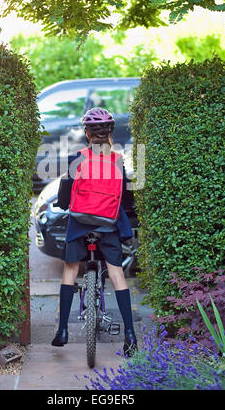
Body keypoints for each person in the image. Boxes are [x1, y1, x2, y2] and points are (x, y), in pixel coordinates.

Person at [51, 107, 138, 357]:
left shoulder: (75, 159)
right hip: (108, 225)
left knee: (70, 269)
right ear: (110, 133)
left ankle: (63, 330)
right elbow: (126, 199)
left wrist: (65, 204)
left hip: (80, 224)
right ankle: (130, 335)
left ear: (87, 134)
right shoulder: (118, 160)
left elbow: (65, 196)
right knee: (117, 274)